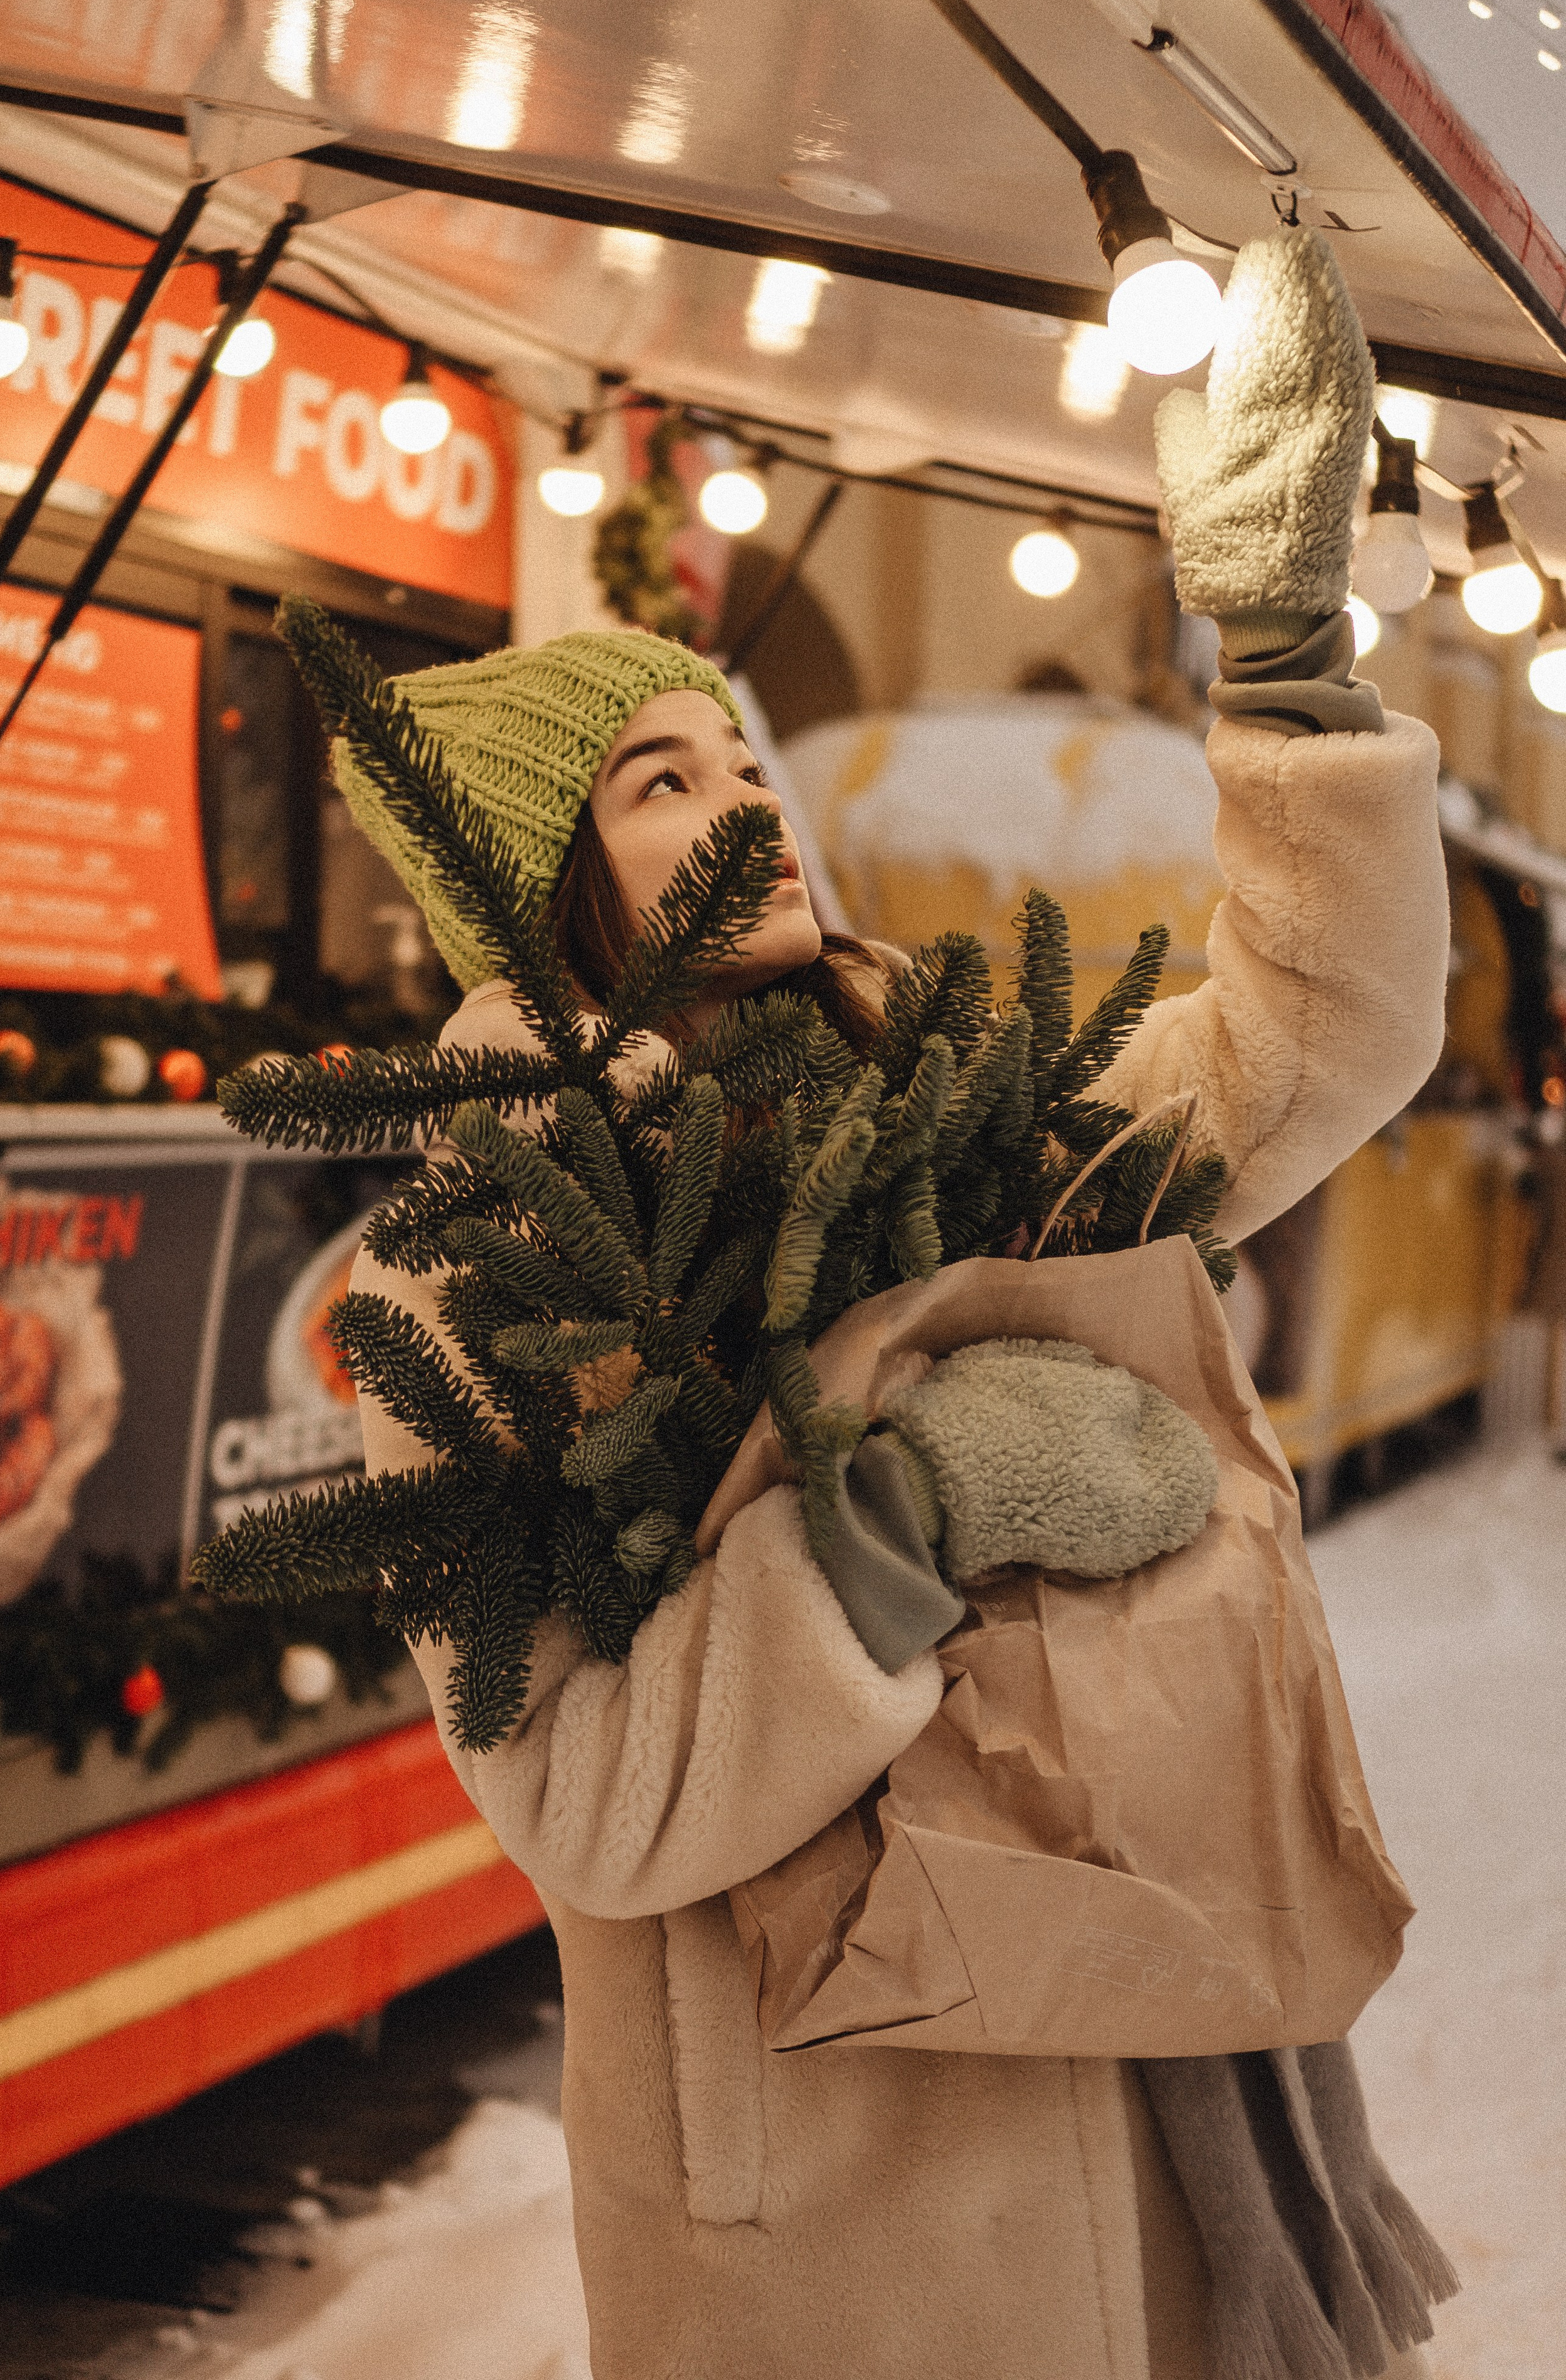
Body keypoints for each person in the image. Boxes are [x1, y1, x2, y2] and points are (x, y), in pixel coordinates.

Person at [346, 233, 1451, 2379]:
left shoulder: (970, 1103)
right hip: (828, 2206)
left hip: (1136, 2050)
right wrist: (891, 1520)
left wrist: (1291, 659)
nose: (743, 795)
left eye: (737, 757)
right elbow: (588, 1799)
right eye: (659, 782)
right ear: (540, 892)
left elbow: (1323, 1040)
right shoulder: (476, 1264)